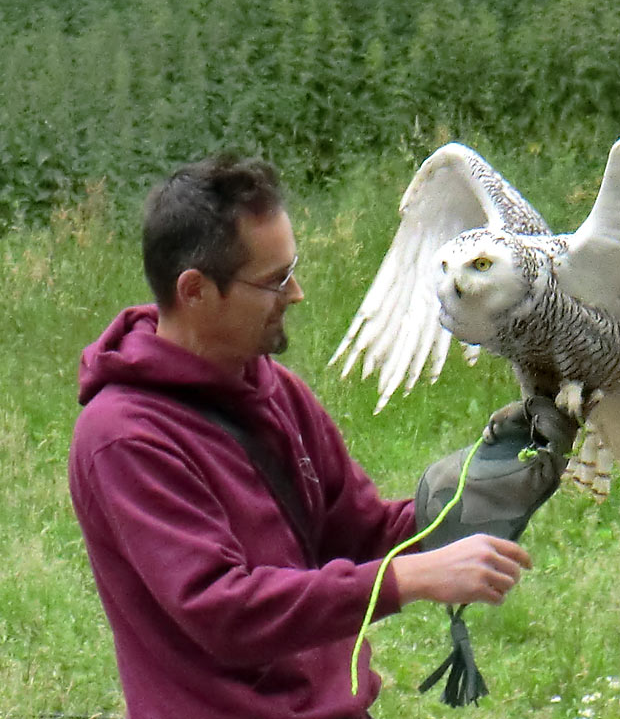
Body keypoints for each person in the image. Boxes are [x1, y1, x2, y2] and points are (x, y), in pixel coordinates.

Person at [68, 154, 572, 719]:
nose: (298, 292)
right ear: (195, 291)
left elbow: (357, 532)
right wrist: (402, 580)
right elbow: (223, 611)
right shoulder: (124, 438)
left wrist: (480, 488)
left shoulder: (276, 390)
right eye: (275, 279)